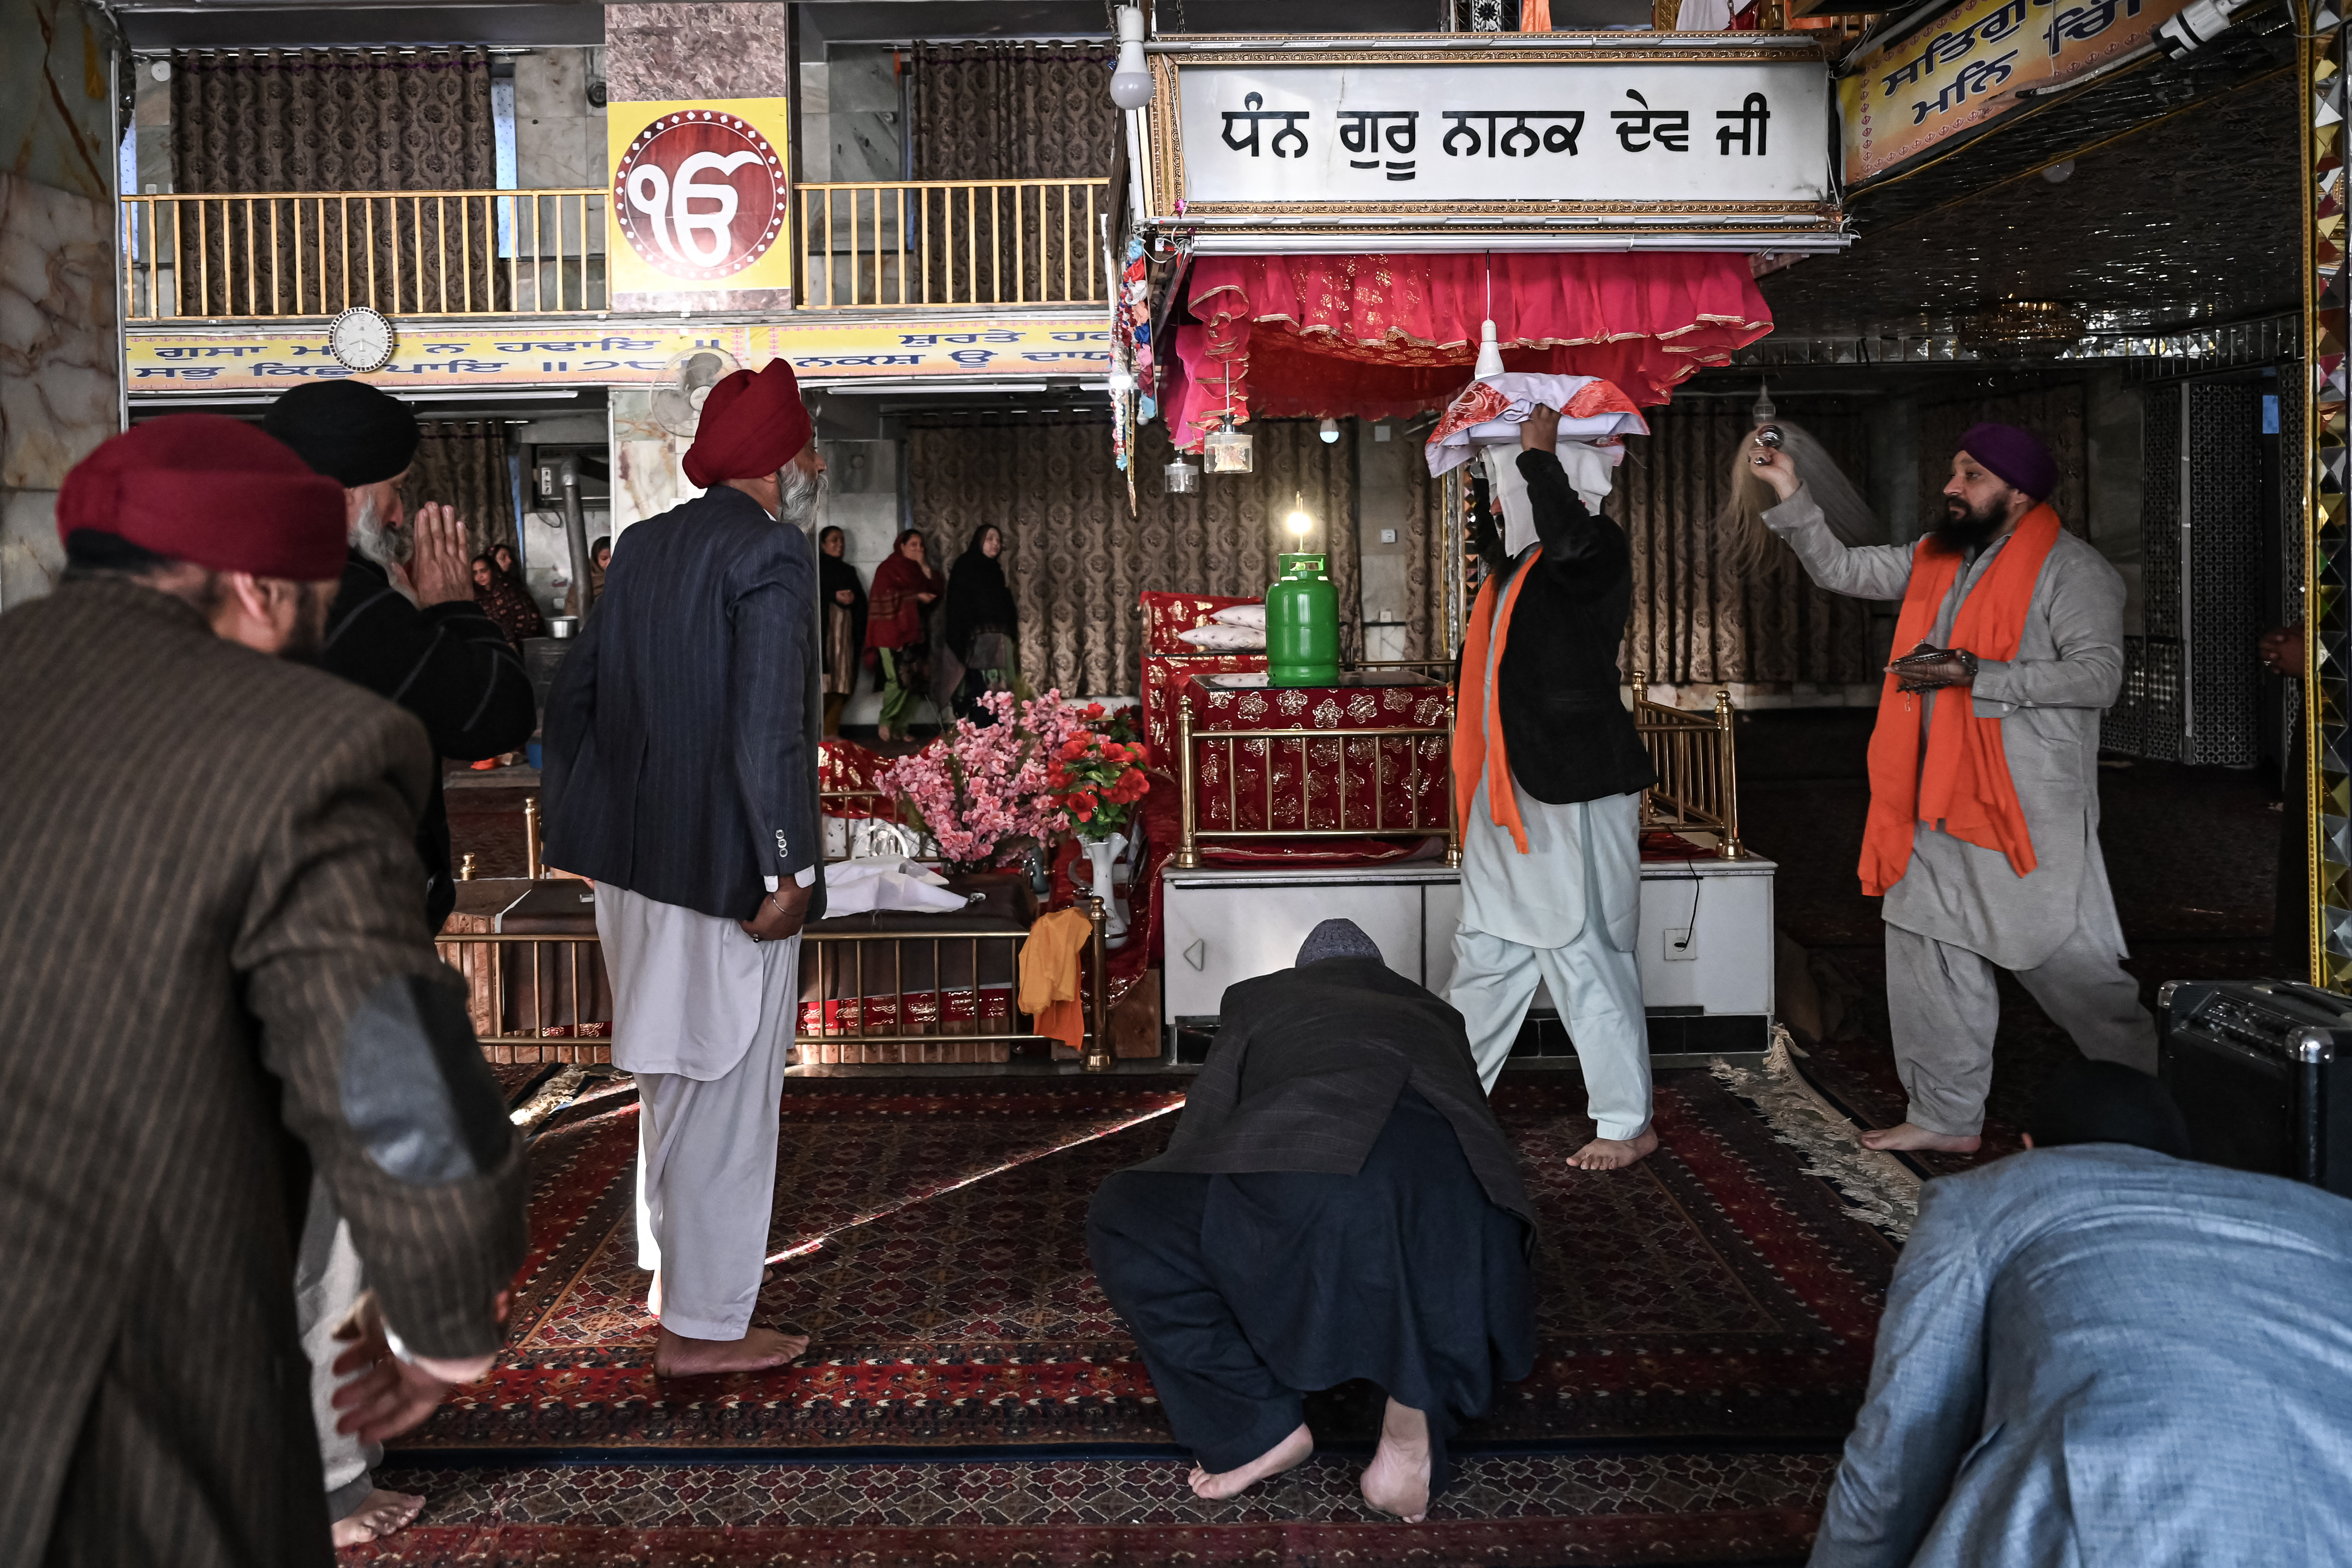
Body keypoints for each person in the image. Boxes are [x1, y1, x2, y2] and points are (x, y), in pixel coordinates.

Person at [0, 416, 526, 1568]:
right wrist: (442, 1318)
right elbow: (384, 1063)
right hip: (119, 1380)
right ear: (258, 587)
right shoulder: (306, 748)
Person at [1750, 423, 2156, 1155]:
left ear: (2017, 491)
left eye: (1968, 475)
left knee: (2067, 966)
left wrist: (1979, 674)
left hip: (2021, 807)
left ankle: (2147, 1110)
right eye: (1953, 471)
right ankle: (1944, 1116)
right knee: (1926, 953)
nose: (1950, 487)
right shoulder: (1938, 555)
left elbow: (2097, 677)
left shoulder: (2073, 571)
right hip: (1925, 795)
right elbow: (1843, 568)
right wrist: (1788, 490)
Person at [542, 357, 829, 1377]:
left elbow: (569, 696)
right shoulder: (773, 553)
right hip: (725, 872)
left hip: (632, 867)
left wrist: (586, 827)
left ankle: (678, 1281)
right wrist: (785, 867)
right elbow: (765, 725)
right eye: (807, 443)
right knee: (724, 1089)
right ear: (785, 461)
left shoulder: (647, 546)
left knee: (670, 1077)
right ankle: (703, 1331)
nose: (812, 459)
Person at [1809, 1059, 2352, 1566]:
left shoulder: (1985, 1196)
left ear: (2029, 1149)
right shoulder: (2326, 1214)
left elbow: (1905, 1426)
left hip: (2108, 1509)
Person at [1088, 919, 1535, 1521]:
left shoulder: (1258, 996)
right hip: (1460, 1199)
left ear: (1302, 971)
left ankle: (1257, 1427)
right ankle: (1414, 1404)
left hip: (1315, 1157)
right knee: (1431, 1225)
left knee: (1125, 1213)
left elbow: (1203, 1131)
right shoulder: (1436, 1012)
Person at [1444, 405, 1660, 1171]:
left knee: (1583, 948)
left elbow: (1566, 535)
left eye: (1515, 485)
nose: (1502, 500)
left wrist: (1536, 455)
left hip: (1572, 784)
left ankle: (1626, 1120)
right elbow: (1499, 529)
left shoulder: (1594, 549)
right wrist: (1487, 475)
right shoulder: (1513, 571)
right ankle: (1448, 1108)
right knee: (1489, 949)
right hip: (1509, 786)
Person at [260, 380, 538, 933]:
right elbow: (495, 718)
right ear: (344, 493)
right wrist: (455, 605)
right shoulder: (334, 594)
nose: (396, 514)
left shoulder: (243, 576)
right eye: (395, 488)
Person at [865, 527, 941, 742]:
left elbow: (937, 592)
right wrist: (915, 596)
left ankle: (901, 727)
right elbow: (885, 598)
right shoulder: (888, 569)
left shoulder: (919, 570)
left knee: (917, 683)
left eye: (921, 545)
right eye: (913, 545)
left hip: (917, 633)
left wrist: (925, 566)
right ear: (902, 546)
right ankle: (886, 722)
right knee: (898, 680)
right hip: (891, 633)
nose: (919, 549)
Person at [942, 522, 1021, 723]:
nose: (996, 544)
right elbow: (959, 604)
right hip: (978, 641)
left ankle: (1000, 734)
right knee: (983, 690)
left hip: (999, 640)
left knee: (1002, 690)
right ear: (979, 542)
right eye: (990, 539)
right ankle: (983, 734)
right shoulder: (966, 565)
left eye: (999, 540)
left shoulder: (995, 570)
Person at [818, 524, 867, 737]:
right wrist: (833, 596)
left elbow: (862, 604)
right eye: (834, 541)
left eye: (842, 541)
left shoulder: (849, 571)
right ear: (822, 545)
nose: (840, 545)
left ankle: (831, 730)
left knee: (843, 682)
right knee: (824, 685)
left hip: (845, 639)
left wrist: (853, 600)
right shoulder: (816, 568)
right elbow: (812, 596)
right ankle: (818, 732)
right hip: (824, 635)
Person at [472, 551, 547, 645]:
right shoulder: (478, 594)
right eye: (475, 573)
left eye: (483, 571)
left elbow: (529, 618)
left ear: (492, 570)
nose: (479, 576)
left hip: (526, 642)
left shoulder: (509, 589)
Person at [589, 535, 613, 603]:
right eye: (604, 558)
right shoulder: (585, 579)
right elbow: (573, 609)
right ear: (596, 559)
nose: (609, 562)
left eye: (614, 557)